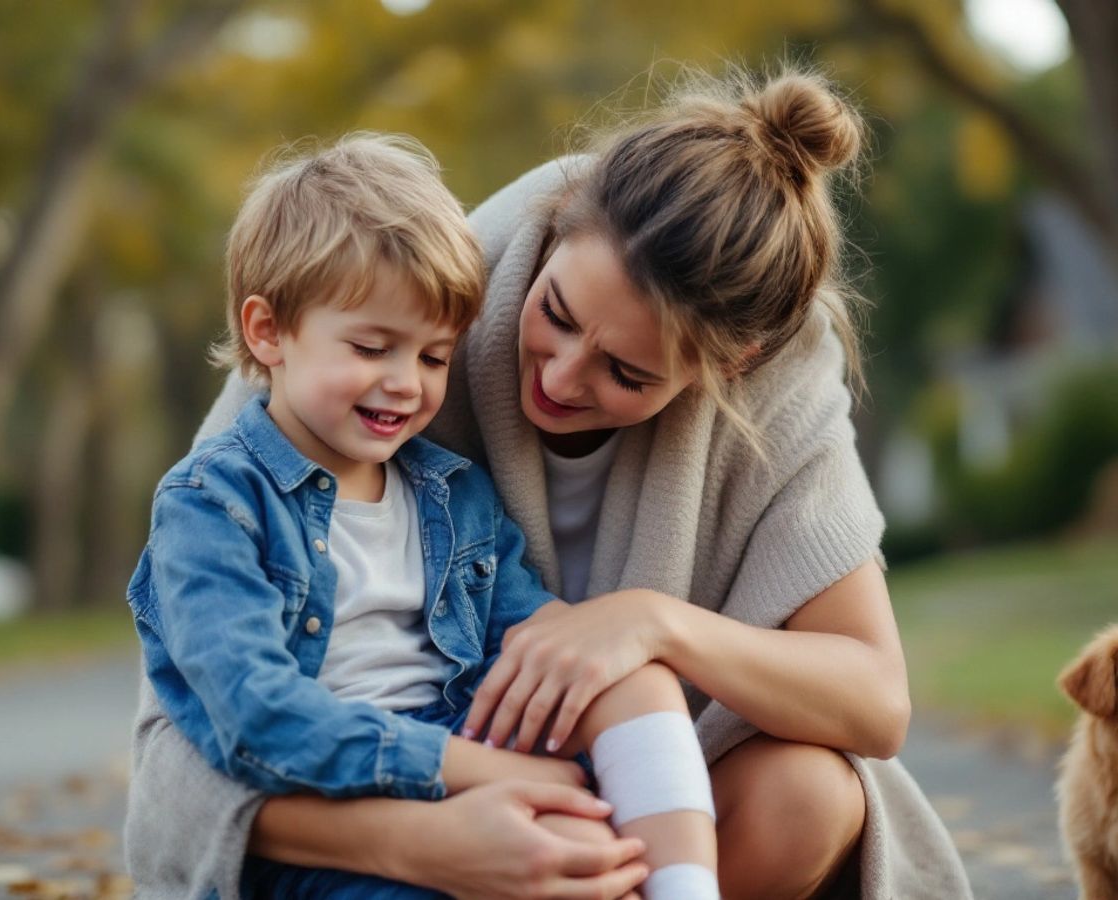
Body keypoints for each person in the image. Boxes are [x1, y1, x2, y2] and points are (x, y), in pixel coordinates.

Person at [124, 67, 973, 899]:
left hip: (594, 775)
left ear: (732, 367)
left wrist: (652, 626)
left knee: (808, 792)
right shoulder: (382, 304)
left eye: (627, 373)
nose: (562, 380)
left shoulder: (769, 389)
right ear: (553, 230)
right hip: (369, 796)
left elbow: (874, 704)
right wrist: (429, 838)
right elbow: (202, 731)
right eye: (556, 315)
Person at [126, 133, 721, 899]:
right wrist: (486, 771)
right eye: (374, 347)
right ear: (268, 331)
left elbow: (533, 643)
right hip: (324, 813)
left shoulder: (450, 492)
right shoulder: (214, 505)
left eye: (434, 357)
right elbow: (258, 719)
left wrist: (567, 723)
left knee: (626, 710)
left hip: (458, 746)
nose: (406, 384)